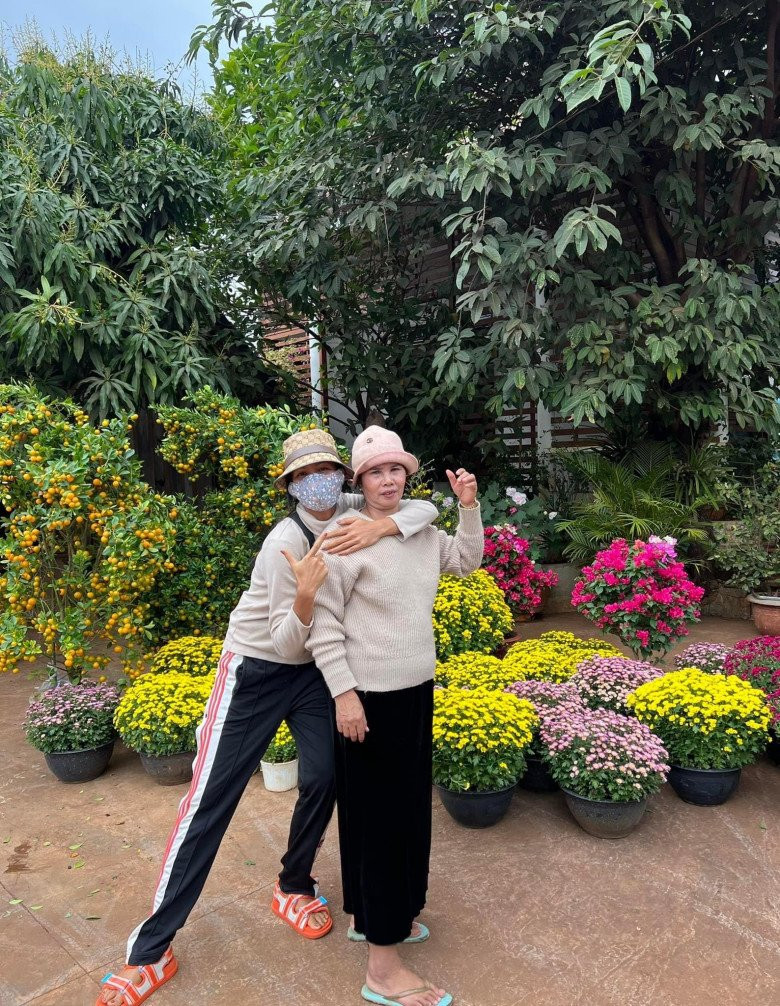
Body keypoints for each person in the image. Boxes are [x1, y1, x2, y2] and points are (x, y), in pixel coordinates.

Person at [97, 428, 437, 1006]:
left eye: (325, 470)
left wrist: (383, 527)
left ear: (343, 477)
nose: (317, 482)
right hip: (259, 667)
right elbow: (283, 640)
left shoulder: (351, 508)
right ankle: (150, 950)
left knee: (327, 776)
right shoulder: (285, 540)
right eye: (304, 476)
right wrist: (305, 594)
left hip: (316, 669)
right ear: (291, 486)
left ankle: (294, 885)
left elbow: (421, 507)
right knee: (211, 798)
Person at [307, 426, 483, 1006]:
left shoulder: (420, 530)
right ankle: (382, 970)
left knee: (403, 814)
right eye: (375, 472)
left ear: (408, 475)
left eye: (396, 470)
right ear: (359, 481)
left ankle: (378, 916)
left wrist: (468, 508)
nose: (388, 481)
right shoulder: (344, 537)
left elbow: (467, 562)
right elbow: (323, 623)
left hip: (414, 690)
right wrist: (343, 694)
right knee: (380, 826)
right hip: (367, 699)